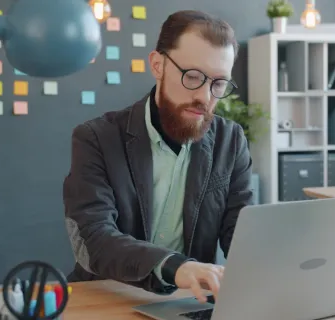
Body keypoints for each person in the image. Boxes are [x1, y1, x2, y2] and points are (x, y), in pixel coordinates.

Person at [63, 10, 254, 303]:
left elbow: (241, 235)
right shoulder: (96, 138)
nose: (205, 97)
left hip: (186, 302)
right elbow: (93, 240)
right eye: (192, 76)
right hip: (106, 297)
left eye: (218, 84)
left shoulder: (231, 141)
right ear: (157, 65)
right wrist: (175, 266)